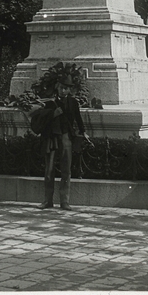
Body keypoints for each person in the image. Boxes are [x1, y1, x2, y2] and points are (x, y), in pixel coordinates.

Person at [40, 74, 90, 210]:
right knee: (49, 170)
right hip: (52, 137)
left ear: (69, 90)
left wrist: (83, 131)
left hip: (66, 137)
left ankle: (64, 201)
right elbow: (43, 118)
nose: (63, 90)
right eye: (61, 87)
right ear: (57, 87)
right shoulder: (50, 102)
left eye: (66, 88)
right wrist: (53, 114)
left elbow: (78, 118)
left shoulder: (73, 103)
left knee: (66, 170)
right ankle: (47, 200)